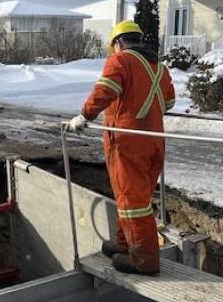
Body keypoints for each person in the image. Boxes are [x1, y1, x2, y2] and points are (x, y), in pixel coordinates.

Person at [67, 21, 175, 275]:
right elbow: (168, 102)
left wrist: (84, 116)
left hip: (127, 141)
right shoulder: (160, 68)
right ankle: (125, 244)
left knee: (131, 199)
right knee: (135, 197)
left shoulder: (120, 61)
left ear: (118, 43)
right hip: (154, 141)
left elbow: (106, 90)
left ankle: (144, 260)